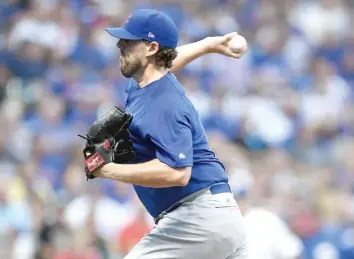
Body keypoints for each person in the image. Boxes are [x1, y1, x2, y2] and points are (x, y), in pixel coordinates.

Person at [89, 9, 248, 259]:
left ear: (151, 48)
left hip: (196, 218)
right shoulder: (145, 82)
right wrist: (207, 45)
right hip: (218, 218)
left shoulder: (164, 104)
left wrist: (107, 170)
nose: (120, 45)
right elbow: (169, 62)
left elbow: (177, 172)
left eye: (129, 41)